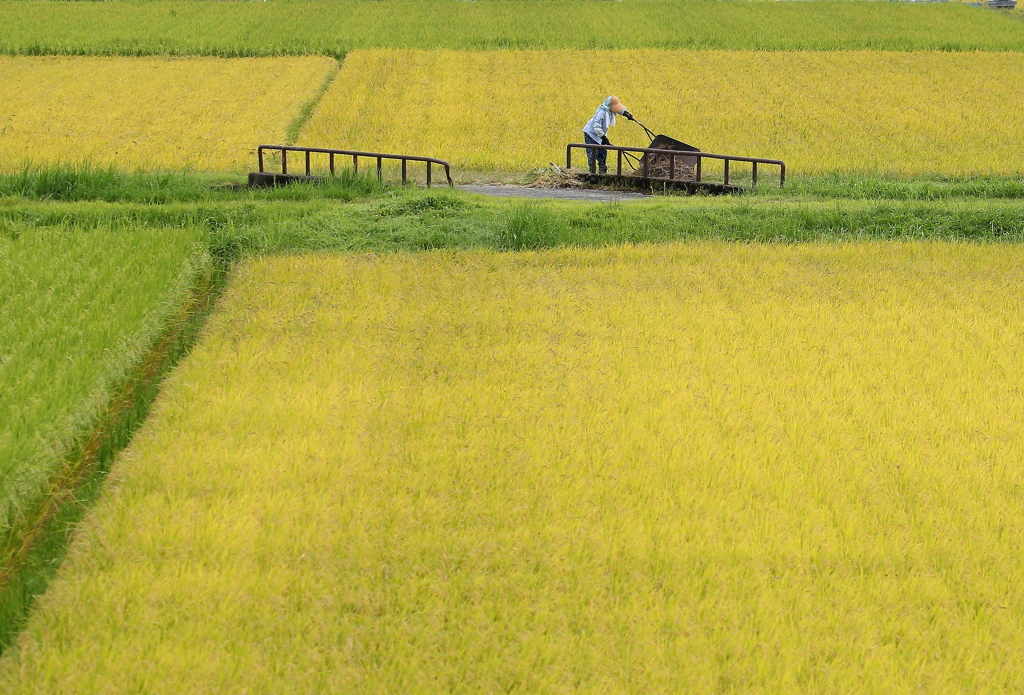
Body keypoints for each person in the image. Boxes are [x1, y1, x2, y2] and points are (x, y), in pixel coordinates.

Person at [582, 96, 627, 174]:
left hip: (600, 135)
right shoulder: (602, 113)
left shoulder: (610, 111)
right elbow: (596, 127)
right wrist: (603, 137)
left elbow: (618, 111)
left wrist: (626, 114)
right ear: (609, 106)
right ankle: (592, 173)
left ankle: (602, 173)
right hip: (591, 134)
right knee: (593, 154)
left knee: (602, 153)